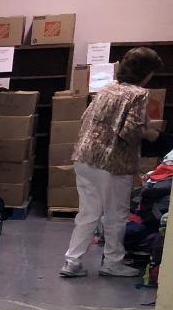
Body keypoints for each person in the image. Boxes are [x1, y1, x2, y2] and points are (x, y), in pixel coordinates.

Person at [60, 47, 164, 278]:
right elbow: (130, 130)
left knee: (88, 213)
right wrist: (151, 134)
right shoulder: (139, 94)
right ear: (146, 72)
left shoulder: (107, 88)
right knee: (116, 215)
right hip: (113, 163)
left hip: (85, 157)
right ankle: (113, 263)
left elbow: (85, 117)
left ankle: (72, 261)